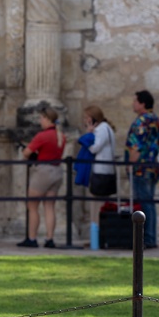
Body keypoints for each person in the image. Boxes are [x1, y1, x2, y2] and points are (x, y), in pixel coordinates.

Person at [17, 107, 66, 248]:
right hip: (57, 171)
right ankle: (49, 239)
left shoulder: (42, 136)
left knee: (32, 205)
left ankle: (32, 238)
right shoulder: (60, 136)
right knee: (49, 206)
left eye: (41, 118)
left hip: (43, 171)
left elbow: (26, 153)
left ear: (47, 119)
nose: (40, 121)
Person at [125, 89, 159, 248]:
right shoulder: (156, 120)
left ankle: (147, 238)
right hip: (152, 166)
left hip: (141, 168)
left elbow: (136, 147)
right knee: (149, 203)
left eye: (135, 101)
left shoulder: (141, 121)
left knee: (143, 204)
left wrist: (129, 165)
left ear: (142, 103)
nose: (133, 104)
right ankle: (151, 237)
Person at [77, 105, 116, 249]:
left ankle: (97, 239)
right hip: (104, 171)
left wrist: (89, 134)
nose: (85, 120)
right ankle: (97, 238)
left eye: (87, 117)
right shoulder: (106, 128)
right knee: (98, 205)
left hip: (101, 172)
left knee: (97, 207)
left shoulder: (101, 129)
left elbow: (94, 147)